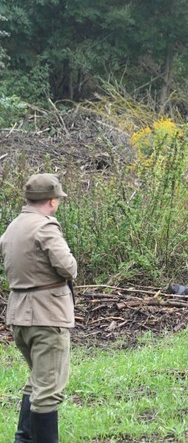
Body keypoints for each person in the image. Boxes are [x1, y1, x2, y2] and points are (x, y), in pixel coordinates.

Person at [1, 173, 78, 443]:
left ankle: (23, 440)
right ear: (53, 200)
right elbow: (67, 267)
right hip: (46, 314)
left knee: (37, 380)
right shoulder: (45, 227)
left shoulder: (13, 226)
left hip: (20, 313)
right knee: (48, 390)